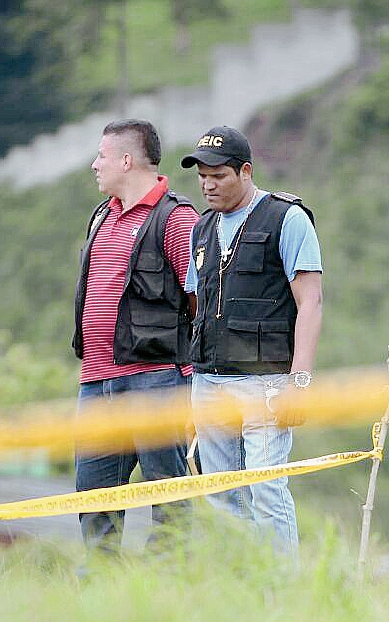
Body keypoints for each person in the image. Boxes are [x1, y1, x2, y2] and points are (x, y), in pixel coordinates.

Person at [182, 126, 323, 561]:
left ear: (245, 171)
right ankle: (239, 592)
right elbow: (196, 302)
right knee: (220, 497)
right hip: (209, 382)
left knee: (265, 491)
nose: (208, 184)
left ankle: (284, 593)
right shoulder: (201, 229)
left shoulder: (287, 218)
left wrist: (300, 381)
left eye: (218, 175)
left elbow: (311, 302)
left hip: (266, 382)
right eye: (202, 176)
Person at [73, 119, 198, 559]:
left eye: (102, 156)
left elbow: (200, 298)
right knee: (93, 497)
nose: (94, 165)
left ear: (126, 160)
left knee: (167, 497)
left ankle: (169, 590)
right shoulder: (102, 216)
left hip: (157, 379)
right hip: (96, 380)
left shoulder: (178, 219)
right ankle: (102, 597)